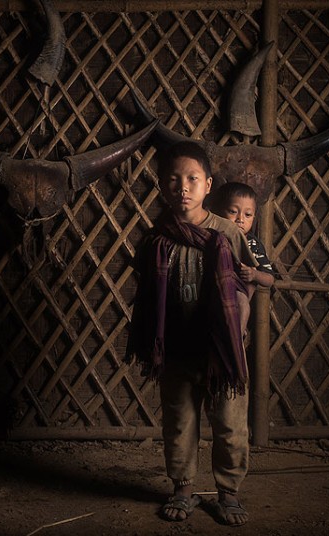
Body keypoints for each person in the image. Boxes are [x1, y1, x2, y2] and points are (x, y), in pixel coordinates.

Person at [127, 141, 258, 526]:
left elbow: (244, 281)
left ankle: (228, 494)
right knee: (180, 422)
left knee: (230, 424)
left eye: (192, 179)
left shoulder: (226, 233)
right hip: (178, 348)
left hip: (221, 351)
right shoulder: (158, 235)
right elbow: (148, 288)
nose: (182, 187)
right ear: (163, 187)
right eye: (173, 180)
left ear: (207, 185)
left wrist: (240, 322)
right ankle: (182, 489)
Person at [208, 181, 277, 339]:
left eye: (247, 215)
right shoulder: (214, 237)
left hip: (238, 295)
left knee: (242, 304)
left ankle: (236, 340)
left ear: (254, 217)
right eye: (233, 211)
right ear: (219, 212)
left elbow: (270, 279)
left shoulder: (253, 244)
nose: (240, 219)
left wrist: (254, 275)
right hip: (214, 293)